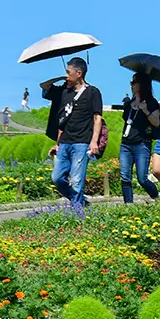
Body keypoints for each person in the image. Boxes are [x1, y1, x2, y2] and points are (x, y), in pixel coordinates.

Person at [40, 57, 103, 207]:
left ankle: (77, 212)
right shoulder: (64, 92)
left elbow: (97, 118)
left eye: (69, 72)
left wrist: (94, 141)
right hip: (65, 143)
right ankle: (80, 203)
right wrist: (57, 144)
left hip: (82, 143)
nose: (67, 75)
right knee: (56, 178)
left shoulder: (93, 92)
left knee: (76, 181)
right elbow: (43, 86)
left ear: (79, 73)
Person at [120, 72, 160, 204]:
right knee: (125, 177)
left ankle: (156, 196)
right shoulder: (129, 104)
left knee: (142, 178)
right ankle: (129, 205)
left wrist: (145, 110)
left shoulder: (151, 102)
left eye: (134, 82)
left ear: (142, 85)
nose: (131, 85)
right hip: (126, 143)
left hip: (142, 144)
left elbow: (156, 122)